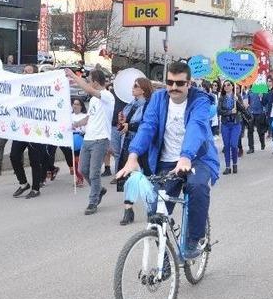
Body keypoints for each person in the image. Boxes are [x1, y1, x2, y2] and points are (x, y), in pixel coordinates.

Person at [117, 61, 220, 259]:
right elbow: (148, 127)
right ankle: (164, 261)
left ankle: (193, 240)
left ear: (189, 84)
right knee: (155, 210)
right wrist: (133, 156)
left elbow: (196, 127)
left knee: (197, 187)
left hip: (197, 158)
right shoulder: (158, 99)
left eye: (179, 83)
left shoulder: (200, 100)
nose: (174, 87)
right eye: (170, 82)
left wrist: (186, 156)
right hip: (167, 162)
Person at [67, 69, 115, 214]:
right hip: (88, 139)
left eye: (89, 80)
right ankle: (99, 189)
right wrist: (76, 124)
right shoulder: (94, 100)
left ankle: (93, 201)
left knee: (94, 173)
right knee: (82, 169)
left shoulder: (106, 96)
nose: (88, 83)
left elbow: (88, 89)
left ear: (94, 82)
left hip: (100, 140)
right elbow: (90, 117)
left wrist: (74, 76)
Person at [119, 78, 153, 225]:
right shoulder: (130, 105)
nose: (132, 88)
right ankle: (128, 210)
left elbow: (147, 124)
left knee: (148, 177)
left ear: (143, 89)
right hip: (128, 143)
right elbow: (123, 121)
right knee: (129, 176)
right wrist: (121, 123)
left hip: (144, 145)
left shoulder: (148, 105)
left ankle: (152, 209)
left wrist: (130, 126)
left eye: (135, 86)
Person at [10, 65, 47, 199]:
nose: (24, 73)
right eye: (24, 71)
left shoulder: (40, 90)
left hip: (35, 131)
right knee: (14, 156)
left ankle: (36, 188)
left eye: (28, 71)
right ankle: (23, 183)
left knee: (34, 160)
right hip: (21, 130)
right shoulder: (18, 89)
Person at [219, 80, 245, 174]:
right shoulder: (221, 98)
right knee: (226, 146)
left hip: (235, 124)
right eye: (224, 85)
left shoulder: (237, 96)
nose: (226, 86)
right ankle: (227, 167)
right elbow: (219, 111)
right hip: (225, 124)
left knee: (234, 145)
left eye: (228, 85)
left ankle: (235, 164)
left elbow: (242, 109)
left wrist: (237, 101)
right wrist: (230, 112)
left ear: (232, 86)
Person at [70, 98, 87, 187]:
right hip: (71, 140)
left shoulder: (84, 116)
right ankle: (77, 177)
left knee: (78, 160)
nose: (75, 106)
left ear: (81, 106)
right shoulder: (69, 116)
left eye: (77, 104)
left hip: (80, 139)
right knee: (73, 161)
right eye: (74, 104)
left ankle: (81, 178)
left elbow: (86, 129)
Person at [246, 86, 267, 152]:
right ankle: (251, 148)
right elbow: (248, 102)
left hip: (260, 113)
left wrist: (262, 96)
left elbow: (265, 102)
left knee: (260, 131)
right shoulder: (250, 91)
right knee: (250, 131)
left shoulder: (262, 89)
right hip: (251, 113)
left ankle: (262, 143)